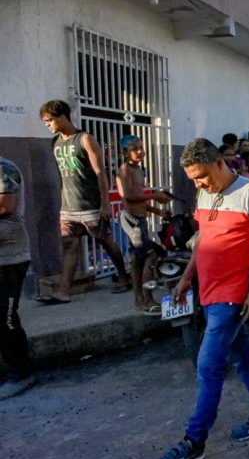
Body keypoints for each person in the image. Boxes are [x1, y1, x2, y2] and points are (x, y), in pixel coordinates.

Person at [158, 138, 249, 459]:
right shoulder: (204, 193)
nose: (199, 184)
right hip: (208, 291)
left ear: (220, 163)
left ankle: (194, 441)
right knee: (242, 355)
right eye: (194, 179)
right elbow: (203, 241)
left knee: (208, 364)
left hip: (233, 293)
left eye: (202, 176)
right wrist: (185, 279)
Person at [38, 100, 129, 304]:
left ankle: (124, 276)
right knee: (70, 246)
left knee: (105, 241)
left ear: (62, 116)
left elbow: (100, 172)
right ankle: (63, 291)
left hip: (90, 205)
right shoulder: (56, 143)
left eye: (49, 120)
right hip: (68, 206)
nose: (47, 125)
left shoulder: (85, 139)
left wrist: (105, 203)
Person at [115, 135, 172, 314]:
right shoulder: (124, 170)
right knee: (150, 256)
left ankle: (140, 300)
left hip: (140, 218)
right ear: (125, 152)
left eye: (140, 147)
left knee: (138, 260)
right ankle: (146, 299)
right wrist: (154, 196)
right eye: (134, 148)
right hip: (131, 219)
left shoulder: (140, 170)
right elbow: (129, 197)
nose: (140, 151)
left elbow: (139, 200)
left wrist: (157, 211)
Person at [0, 156, 36, 400]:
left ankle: (20, 373)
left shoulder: (4, 168)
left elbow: (4, 205)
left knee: (5, 316)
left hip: (10, 258)